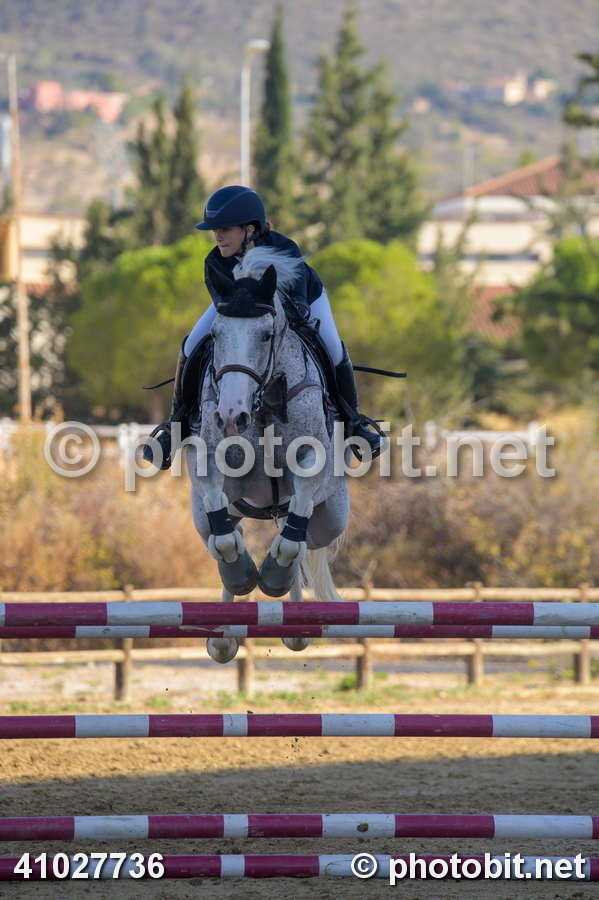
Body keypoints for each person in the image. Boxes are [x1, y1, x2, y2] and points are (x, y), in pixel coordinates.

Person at [144, 185, 383, 467]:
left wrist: (297, 312)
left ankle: (354, 423)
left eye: (225, 229)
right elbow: (225, 309)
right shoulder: (214, 262)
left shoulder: (283, 247)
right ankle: (177, 426)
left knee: (332, 346)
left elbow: (298, 295)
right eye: (215, 230)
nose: (218, 236)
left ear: (250, 229)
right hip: (240, 307)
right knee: (190, 345)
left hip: (304, 300)